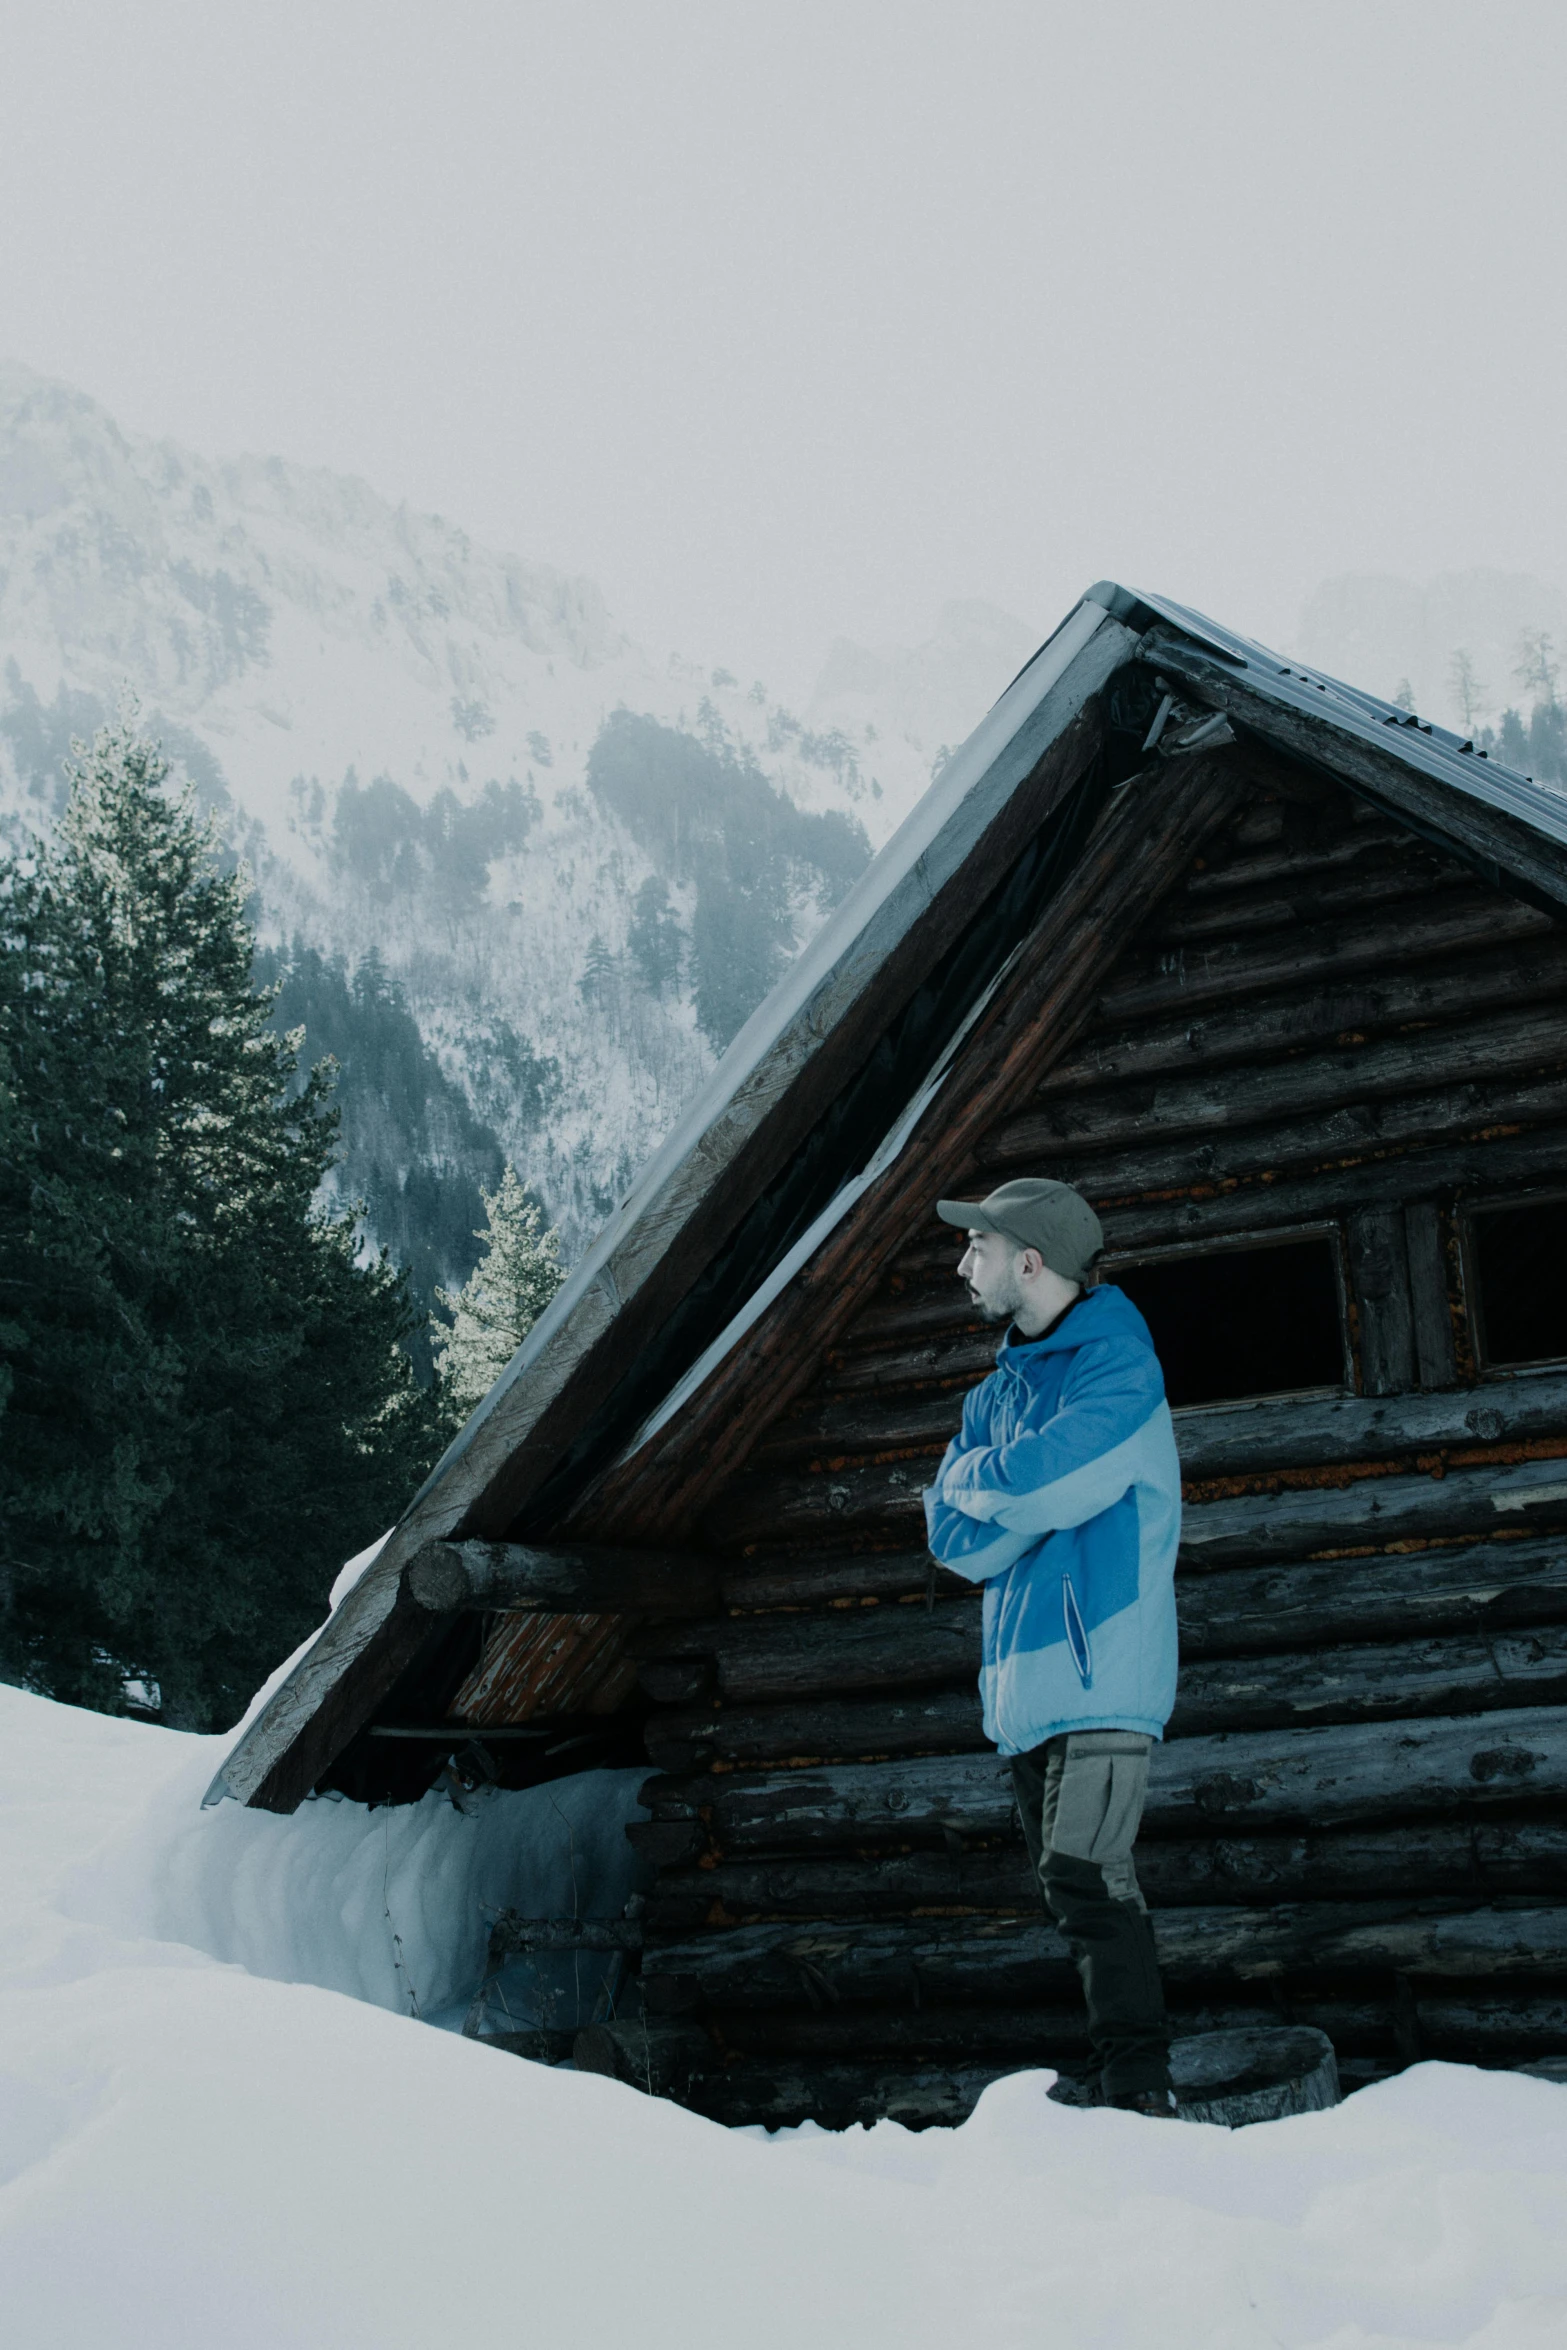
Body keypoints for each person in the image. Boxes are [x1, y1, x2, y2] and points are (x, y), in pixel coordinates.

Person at [922, 1176, 1182, 2116]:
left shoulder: (1120, 1370)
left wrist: (982, 1486)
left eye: (978, 1249)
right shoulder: (994, 1396)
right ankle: (1124, 2092)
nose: (963, 1265)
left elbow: (1023, 1497)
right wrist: (1005, 1493)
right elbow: (956, 1543)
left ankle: (1138, 2095)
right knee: (1069, 1897)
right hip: (1025, 1695)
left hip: (1101, 1676)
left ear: (1029, 1261)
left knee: (1088, 1883)